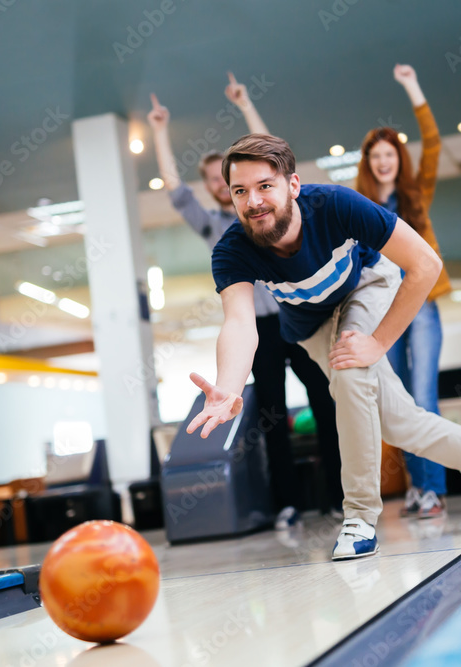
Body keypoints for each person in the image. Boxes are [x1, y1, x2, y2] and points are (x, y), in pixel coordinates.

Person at [186, 133, 461, 561]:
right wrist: (229, 386)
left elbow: (426, 264)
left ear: (292, 186)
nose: (253, 201)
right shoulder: (233, 248)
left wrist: (379, 342)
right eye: (240, 191)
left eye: (265, 186)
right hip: (312, 326)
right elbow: (241, 324)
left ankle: (359, 517)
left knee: (351, 369)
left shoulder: (336, 205)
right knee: (404, 425)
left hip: (367, 286)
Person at [147, 77, 343, 529]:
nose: (226, 186)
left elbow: (272, 153)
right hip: (256, 331)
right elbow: (174, 190)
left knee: (325, 403)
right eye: (219, 182)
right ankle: (289, 504)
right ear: (217, 189)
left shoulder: (269, 208)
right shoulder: (215, 226)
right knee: (272, 416)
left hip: (296, 316)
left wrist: (245, 103)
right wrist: (159, 130)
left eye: (231, 178)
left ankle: (336, 497)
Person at [354, 64, 449, 519]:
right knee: (399, 403)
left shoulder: (416, 193)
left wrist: (413, 86)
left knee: (424, 396)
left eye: (390, 153)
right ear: (369, 164)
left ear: (398, 158)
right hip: (385, 311)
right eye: (376, 156)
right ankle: (417, 488)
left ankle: (433, 489)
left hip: (423, 306)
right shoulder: (361, 206)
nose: (383, 161)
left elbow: (433, 143)